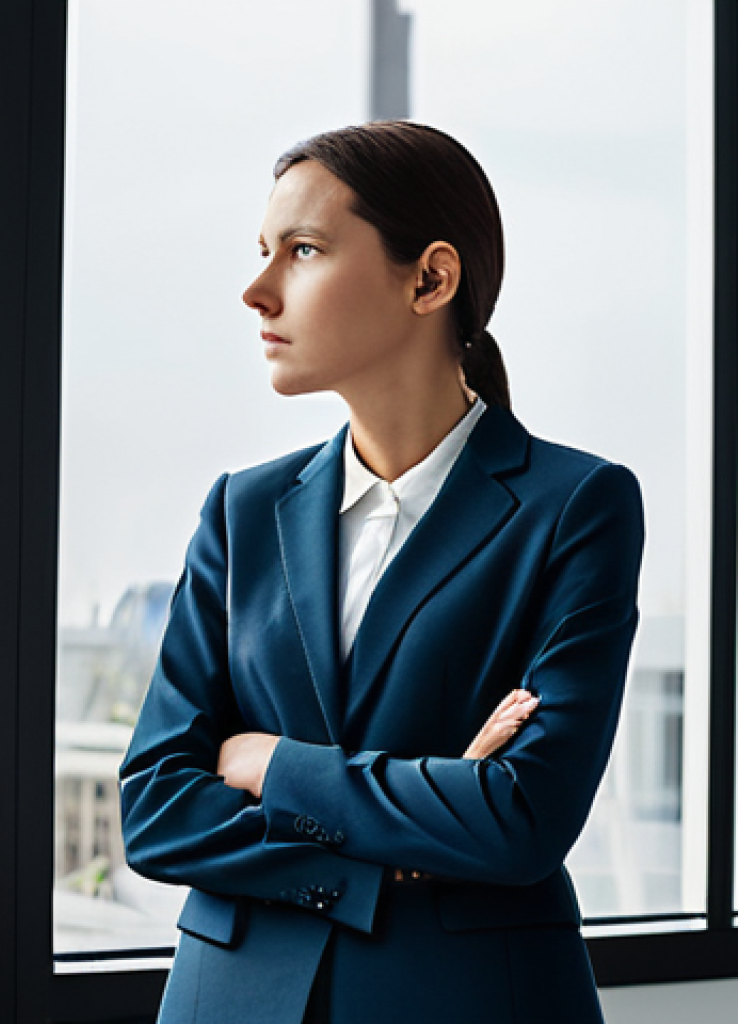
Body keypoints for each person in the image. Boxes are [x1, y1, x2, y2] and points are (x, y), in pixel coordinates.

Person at [118, 121, 644, 1024]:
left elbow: (521, 820)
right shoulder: (243, 512)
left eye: (305, 250)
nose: (256, 290)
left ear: (430, 278)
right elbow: (157, 808)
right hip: (234, 1000)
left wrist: (270, 762)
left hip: (466, 1001)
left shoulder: (576, 506)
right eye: (262, 253)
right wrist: (402, 838)